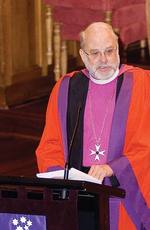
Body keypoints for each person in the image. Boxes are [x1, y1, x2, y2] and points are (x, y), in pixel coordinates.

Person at [36, 22, 150, 229]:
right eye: (95, 53)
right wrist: (60, 177)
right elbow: (50, 145)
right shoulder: (66, 88)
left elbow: (146, 146)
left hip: (124, 195)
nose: (104, 60)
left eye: (109, 51)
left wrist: (112, 168)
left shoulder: (142, 83)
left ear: (118, 48)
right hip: (77, 195)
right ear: (82, 55)